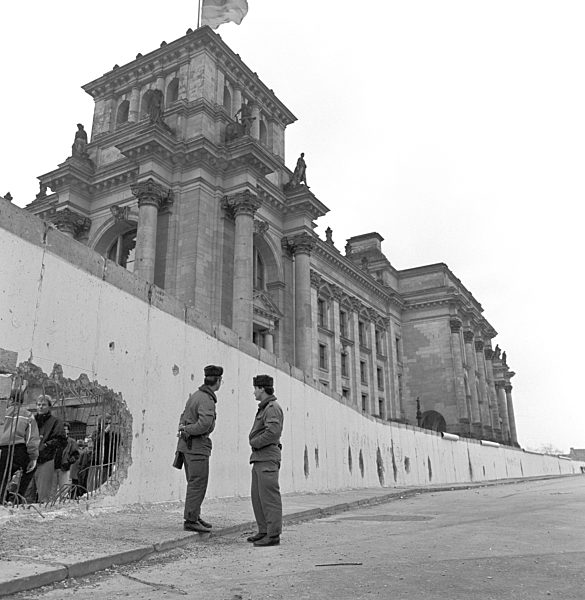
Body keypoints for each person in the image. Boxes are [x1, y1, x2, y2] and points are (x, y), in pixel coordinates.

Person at [177, 364, 223, 533]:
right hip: (196, 447)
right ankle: (190, 520)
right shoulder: (206, 399)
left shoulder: (196, 395)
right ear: (217, 381)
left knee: (195, 483)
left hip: (189, 446)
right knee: (198, 484)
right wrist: (187, 430)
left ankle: (194, 515)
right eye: (220, 381)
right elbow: (204, 424)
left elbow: (183, 417)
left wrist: (184, 428)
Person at [247, 374, 284, 547]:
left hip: (267, 457)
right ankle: (264, 531)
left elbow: (273, 433)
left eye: (255, 388)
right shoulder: (264, 408)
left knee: (269, 498)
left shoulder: (272, 407)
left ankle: (273, 535)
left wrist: (255, 442)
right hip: (260, 458)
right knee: (258, 497)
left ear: (262, 388)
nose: (254, 392)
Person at [0, 377, 40, 502]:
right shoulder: (28, 415)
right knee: (29, 470)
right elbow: (31, 439)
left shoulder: (3, 413)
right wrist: (33, 457)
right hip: (19, 450)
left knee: (2, 477)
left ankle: (1, 499)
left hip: (3, 450)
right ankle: (16, 497)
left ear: (10, 399)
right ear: (22, 401)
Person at [34, 394, 66, 503]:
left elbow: (60, 440)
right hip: (30, 459)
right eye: (38, 405)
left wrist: (46, 445)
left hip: (46, 459)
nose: (40, 407)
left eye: (43, 404)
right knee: (26, 492)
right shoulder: (32, 420)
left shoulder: (56, 422)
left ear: (49, 406)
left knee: (44, 494)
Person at [54, 422, 80, 493]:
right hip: (53, 469)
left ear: (68, 431)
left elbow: (76, 455)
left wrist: (68, 462)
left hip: (64, 469)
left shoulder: (71, 442)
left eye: (65, 429)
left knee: (64, 490)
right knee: (51, 491)